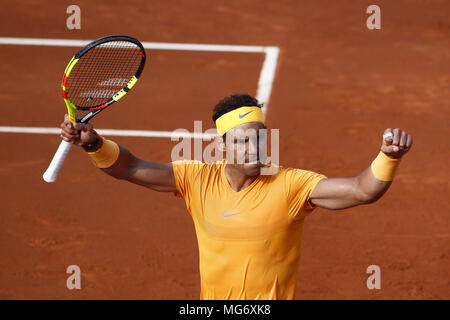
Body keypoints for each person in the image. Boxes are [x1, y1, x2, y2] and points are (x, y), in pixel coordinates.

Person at [59, 94, 413, 299]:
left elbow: (360, 191)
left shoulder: (291, 185)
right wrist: (93, 143)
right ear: (222, 145)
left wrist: (389, 157)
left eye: (260, 137)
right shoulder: (196, 179)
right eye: (243, 140)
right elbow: (130, 168)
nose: (255, 147)